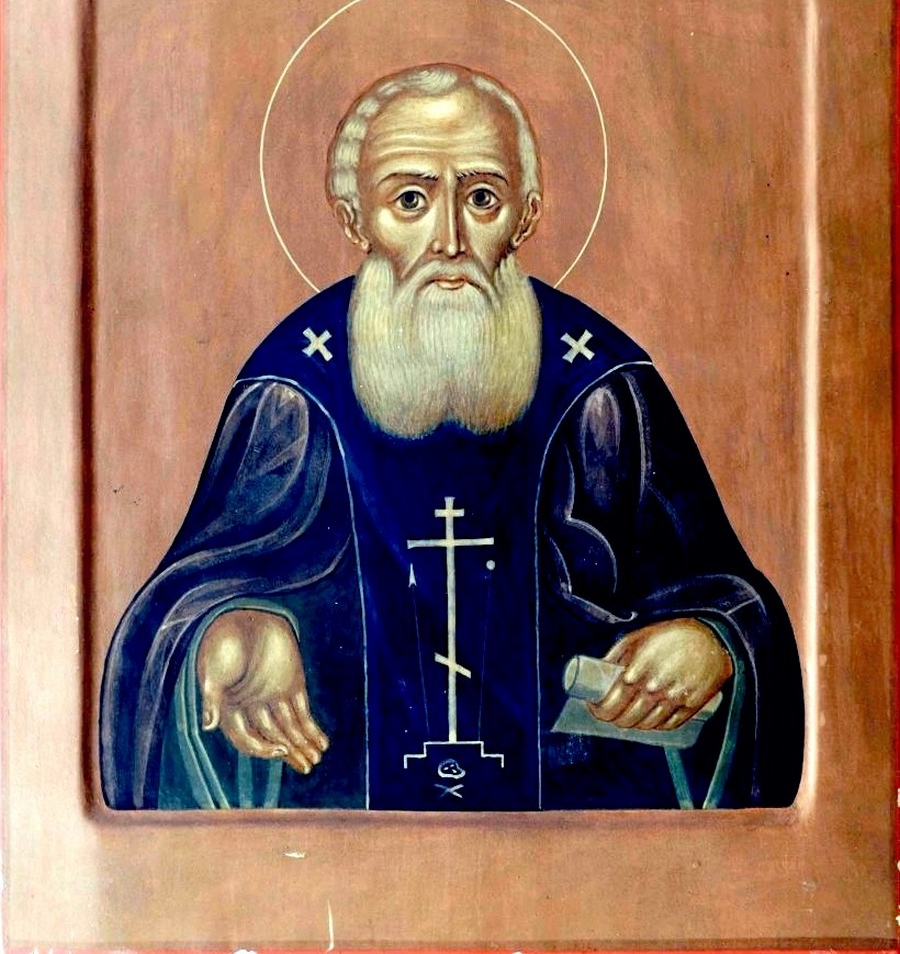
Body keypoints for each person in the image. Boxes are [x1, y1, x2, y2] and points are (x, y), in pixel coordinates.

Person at [100, 63, 804, 812]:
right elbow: (182, 607)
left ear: (526, 217)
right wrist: (232, 632)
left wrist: (711, 644)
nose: (449, 240)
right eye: (410, 200)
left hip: (578, 834)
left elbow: (728, 600)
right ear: (356, 221)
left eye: (481, 198)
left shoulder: (601, 391)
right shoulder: (296, 392)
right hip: (336, 842)